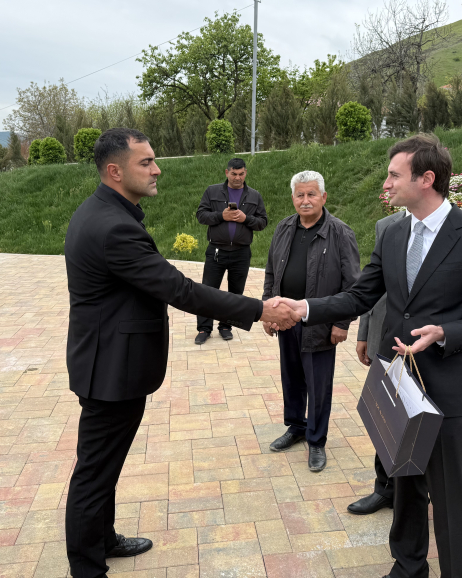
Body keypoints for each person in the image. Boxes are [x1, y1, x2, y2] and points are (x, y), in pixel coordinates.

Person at [275, 134, 462, 578]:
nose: (386, 183)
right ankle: (407, 568)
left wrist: (446, 332)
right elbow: (360, 294)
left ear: (427, 179)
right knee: (404, 484)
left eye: (393, 175)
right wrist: (304, 308)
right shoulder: (392, 232)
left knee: (446, 495)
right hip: (398, 381)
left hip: (443, 387)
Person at [63, 127, 299, 578]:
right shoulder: (113, 226)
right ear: (115, 171)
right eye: (145, 162)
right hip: (110, 370)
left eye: (154, 160)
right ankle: (87, 569)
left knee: (104, 466)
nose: (157, 169)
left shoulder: (104, 211)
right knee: (94, 473)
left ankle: (103, 539)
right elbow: (180, 290)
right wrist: (259, 310)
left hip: (106, 361)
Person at [262, 170, 361, 472]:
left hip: (320, 323)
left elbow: (353, 284)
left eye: (311, 194)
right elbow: (271, 271)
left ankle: (316, 440)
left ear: (323, 197)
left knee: (318, 385)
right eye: (300, 195)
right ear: (293, 198)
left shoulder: (340, 233)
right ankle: (296, 427)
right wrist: (267, 308)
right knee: (291, 378)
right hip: (286, 319)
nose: (305, 200)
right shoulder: (284, 228)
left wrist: (342, 323)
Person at [348, 208, 406, 515]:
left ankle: (413, 492)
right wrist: (364, 333)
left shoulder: (457, 226)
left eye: (394, 182)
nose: (387, 186)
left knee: (417, 420)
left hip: (425, 345)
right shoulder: (387, 225)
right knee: (386, 416)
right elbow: (372, 285)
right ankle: (384, 489)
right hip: (385, 336)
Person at [195, 157, 268, 343]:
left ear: (246, 173)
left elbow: (262, 222)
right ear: (227, 172)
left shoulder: (254, 196)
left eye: (241, 174)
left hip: (241, 253)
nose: (237, 177)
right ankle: (204, 329)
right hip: (216, 251)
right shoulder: (212, 191)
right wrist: (222, 216)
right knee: (207, 292)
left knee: (235, 294)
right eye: (234, 174)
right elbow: (201, 215)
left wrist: (246, 219)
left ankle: (226, 326)